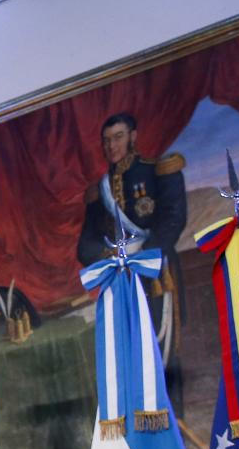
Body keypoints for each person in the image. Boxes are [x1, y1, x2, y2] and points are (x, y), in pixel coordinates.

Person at [76, 112, 187, 409]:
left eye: (118, 137)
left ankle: (173, 421)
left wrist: (143, 256)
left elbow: (173, 220)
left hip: (156, 275)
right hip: (119, 282)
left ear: (134, 137)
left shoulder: (157, 172)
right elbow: (85, 244)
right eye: (106, 140)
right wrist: (109, 257)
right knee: (127, 353)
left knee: (161, 348)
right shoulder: (98, 193)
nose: (111, 145)